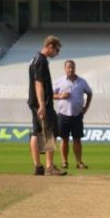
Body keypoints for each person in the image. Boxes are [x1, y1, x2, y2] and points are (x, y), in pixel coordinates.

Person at [28, 35, 66, 176]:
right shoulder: (41, 61)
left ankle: (38, 167)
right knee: (50, 131)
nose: (57, 53)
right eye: (56, 50)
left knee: (36, 132)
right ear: (50, 46)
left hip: (34, 101)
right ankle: (49, 166)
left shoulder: (35, 60)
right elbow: (39, 84)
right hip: (42, 102)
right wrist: (43, 105)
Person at [54, 59, 93, 170]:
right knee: (64, 139)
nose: (71, 69)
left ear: (75, 68)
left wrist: (86, 107)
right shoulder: (59, 81)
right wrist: (60, 96)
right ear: (65, 69)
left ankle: (79, 162)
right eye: (68, 67)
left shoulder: (82, 82)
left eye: (72, 67)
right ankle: (64, 162)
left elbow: (89, 93)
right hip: (63, 114)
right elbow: (51, 94)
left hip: (77, 115)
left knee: (77, 139)